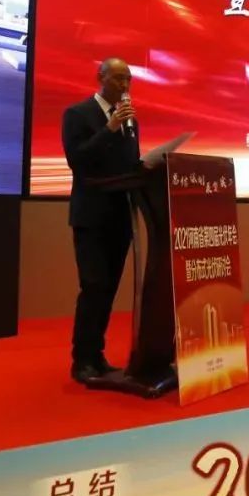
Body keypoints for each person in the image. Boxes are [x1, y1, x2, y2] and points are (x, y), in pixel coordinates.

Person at [61, 58, 140, 384]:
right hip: (91, 217)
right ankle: (81, 360)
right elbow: (77, 160)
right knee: (93, 287)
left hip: (120, 217)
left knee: (108, 291)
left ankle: (97, 356)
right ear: (101, 77)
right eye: (119, 78)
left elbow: (130, 164)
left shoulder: (130, 120)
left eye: (128, 79)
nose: (125, 85)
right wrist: (109, 129)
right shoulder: (78, 114)